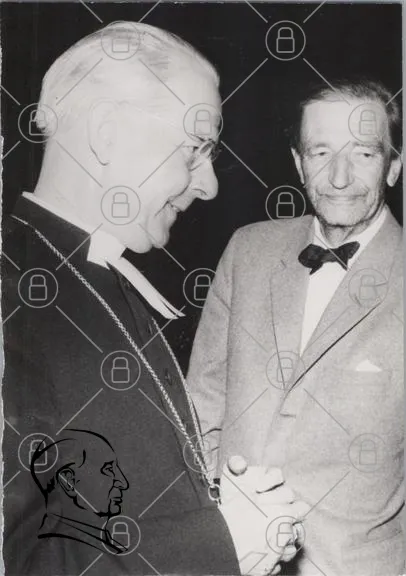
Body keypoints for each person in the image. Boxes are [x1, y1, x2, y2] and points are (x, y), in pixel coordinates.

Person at [2, 21, 308, 576]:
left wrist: (213, 506)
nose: (209, 185)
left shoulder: (102, 272)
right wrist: (216, 544)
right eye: (195, 149)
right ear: (107, 133)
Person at [188, 77, 404, 575]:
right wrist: (217, 521)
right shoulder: (248, 249)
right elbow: (202, 404)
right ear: (298, 162)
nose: (339, 177)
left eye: (364, 154)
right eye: (321, 152)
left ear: (394, 166)